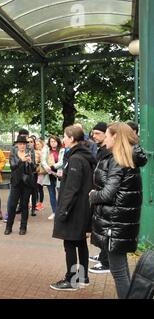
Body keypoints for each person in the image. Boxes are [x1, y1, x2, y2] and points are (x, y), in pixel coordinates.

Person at [90, 122, 147, 299]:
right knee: (121, 269)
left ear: (115, 137)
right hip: (120, 222)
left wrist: (93, 195)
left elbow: (107, 193)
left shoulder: (118, 160)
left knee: (119, 271)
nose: (104, 139)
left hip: (114, 223)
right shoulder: (127, 158)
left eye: (107, 135)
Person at [49, 126, 96, 291]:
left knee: (69, 243)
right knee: (80, 242)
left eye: (65, 136)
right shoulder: (83, 156)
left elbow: (72, 188)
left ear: (72, 138)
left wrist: (62, 210)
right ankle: (82, 278)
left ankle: (72, 279)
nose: (63, 139)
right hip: (82, 207)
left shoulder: (76, 158)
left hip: (74, 209)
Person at [88, 122, 111, 274]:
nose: (94, 136)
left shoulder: (109, 153)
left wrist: (97, 193)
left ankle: (106, 261)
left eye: (98, 133)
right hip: (100, 194)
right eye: (93, 133)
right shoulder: (101, 150)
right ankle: (103, 256)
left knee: (106, 228)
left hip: (104, 196)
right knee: (101, 227)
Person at [5, 135, 36, 235]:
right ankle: (8, 227)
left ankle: (23, 227)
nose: (22, 146)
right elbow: (12, 166)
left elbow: (34, 168)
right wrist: (21, 160)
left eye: (24, 144)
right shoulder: (13, 154)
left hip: (27, 182)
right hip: (16, 182)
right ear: (17, 145)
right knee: (12, 205)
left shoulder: (30, 152)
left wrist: (31, 162)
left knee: (24, 205)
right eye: (20, 144)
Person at [40, 135, 65, 220]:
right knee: (51, 194)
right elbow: (43, 161)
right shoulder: (46, 150)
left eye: (54, 141)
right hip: (49, 174)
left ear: (58, 142)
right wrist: (47, 168)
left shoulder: (62, 150)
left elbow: (62, 162)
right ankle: (54, 212)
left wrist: (53, 167)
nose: (52, 143)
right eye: (51, 141)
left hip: (59, 174)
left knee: (61, 193)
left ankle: (61, 212)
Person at [34, 138, 45, 212]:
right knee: (35, 188)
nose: (37, 145)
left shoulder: (43, 152)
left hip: (40, 172)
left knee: (40, 188)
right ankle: (35, 202)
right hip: (35, 172)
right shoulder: (34, 151)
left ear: (41, 144)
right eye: (36, 144)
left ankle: (40, 203)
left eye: (38, 144)